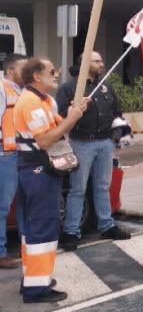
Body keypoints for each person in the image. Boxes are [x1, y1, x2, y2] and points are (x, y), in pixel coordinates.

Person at [14, 58, 88, 302]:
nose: (56, 74)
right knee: (43, 227)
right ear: (36, 76)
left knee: (35, 226)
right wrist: (71, 118)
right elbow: (45, 141)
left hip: (37, 168)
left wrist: (74, 113)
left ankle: (34, 279)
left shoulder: (44, 101)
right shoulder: (32, 102)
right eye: (51, 71)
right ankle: (37, 288)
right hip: (38, 168)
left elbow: (57, 127)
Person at [57, 52, 131, 250]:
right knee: (77, 189)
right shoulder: (70, 88)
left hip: (105, 143)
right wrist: (74, 110)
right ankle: (71, 231)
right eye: (97, 61)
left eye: (101, 60)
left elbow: (116, 113)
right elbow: (59, 117)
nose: (101, 63)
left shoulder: (106, 86)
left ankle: (106, 225)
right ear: (84, 64)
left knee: (102, 186)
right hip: (81, 143)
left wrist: (120, 138)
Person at [0, 54, 26, 270]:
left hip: (22, 153)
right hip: (5, 155)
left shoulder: (23, 91)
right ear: (10, 71)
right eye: (23, 69)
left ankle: (26, 245)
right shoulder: (1, 89)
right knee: (2, 207)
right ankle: (0, 253)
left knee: (24, 203)